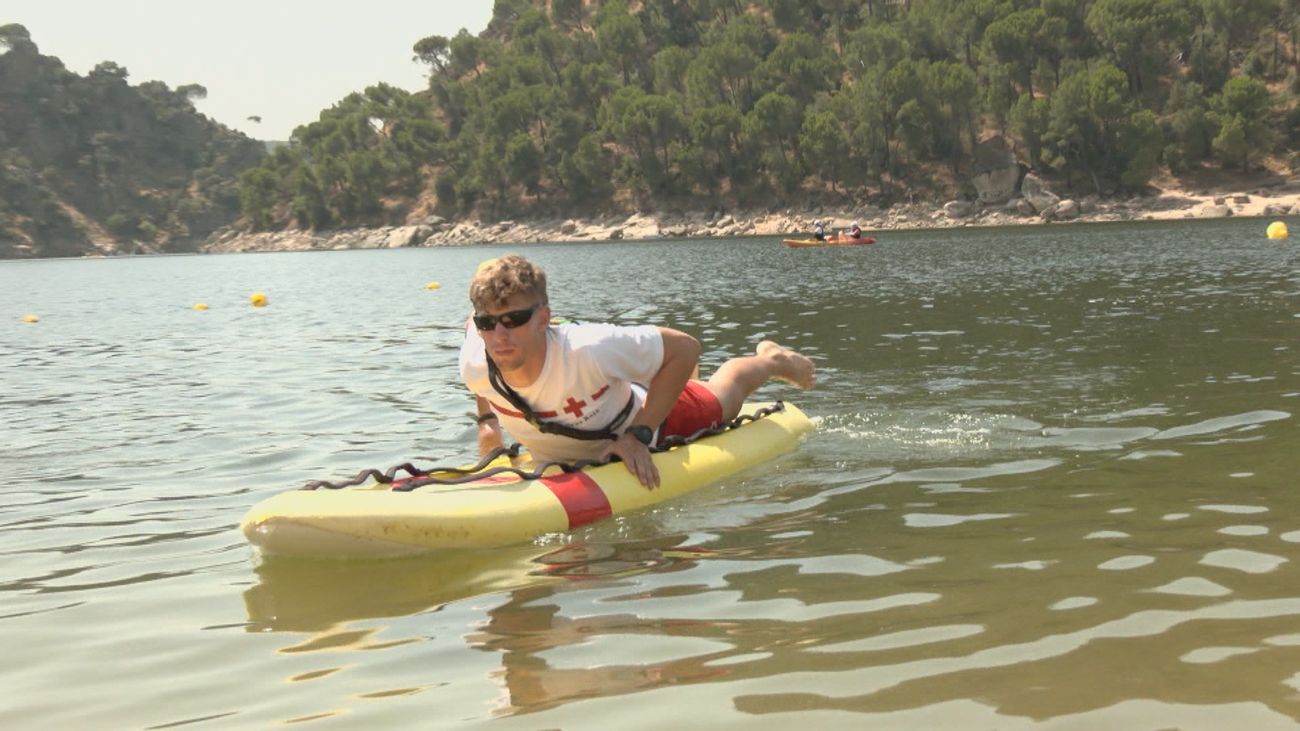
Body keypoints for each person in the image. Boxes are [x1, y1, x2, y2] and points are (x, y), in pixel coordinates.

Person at [460, 255, 815, 489]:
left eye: (513, 319)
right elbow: (474, 343)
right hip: (590, 413)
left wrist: (637, 435)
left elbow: (686, 347)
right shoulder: (478, 352)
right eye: (487, 323)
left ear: (543, 318)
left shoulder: (589, 347)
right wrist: (488, 427)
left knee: (725, 394)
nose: (499, 335)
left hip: (651, 419)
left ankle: (772, 359)